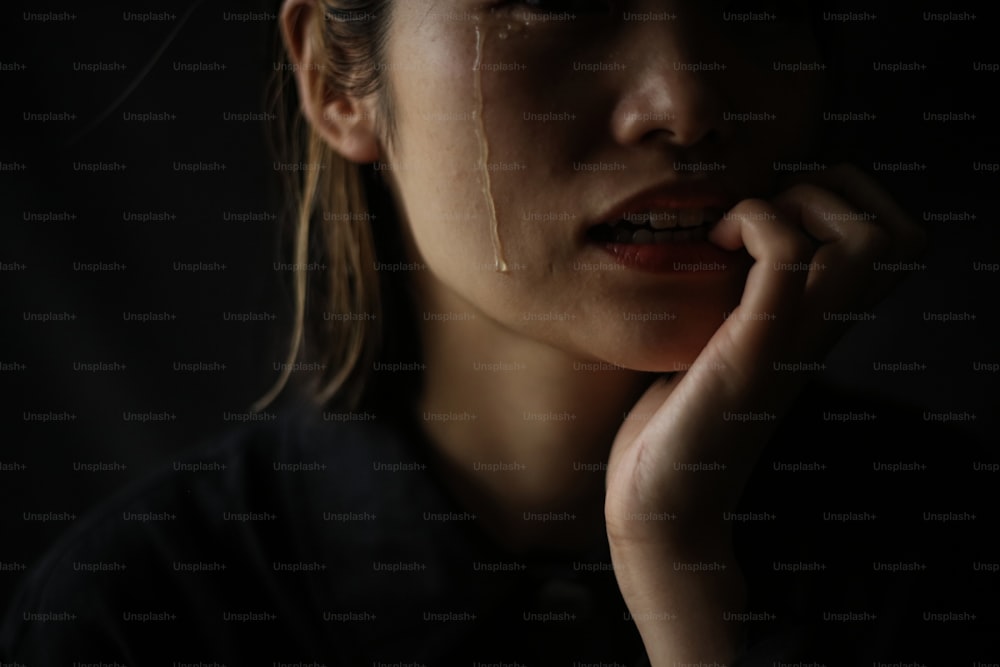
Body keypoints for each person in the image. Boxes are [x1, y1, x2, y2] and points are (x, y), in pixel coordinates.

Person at [2, 1, 995, 665]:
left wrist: (684, 581)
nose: (687, 102)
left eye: (749, 2)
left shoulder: (952, 547)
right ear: (337, 81)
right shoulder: (146, 615)